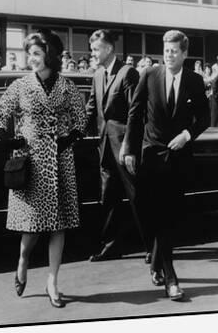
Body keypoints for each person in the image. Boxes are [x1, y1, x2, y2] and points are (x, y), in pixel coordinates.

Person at [0, 29, 87, 308]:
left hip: (60, 160)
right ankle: (23, 260)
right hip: (30, 160)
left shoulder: (67, 86)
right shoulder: (20, 86)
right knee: (32, 225)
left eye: (36, 53)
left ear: (50, 54)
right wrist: (7, 137)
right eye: (28, 54)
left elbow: (81, 119)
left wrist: (69, 138)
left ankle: (52, 281)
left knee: (59, 225)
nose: (31, 59)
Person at [120, 30, 210, 300]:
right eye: (166, 50)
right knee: (155, 215)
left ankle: (160, 264)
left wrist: (187, 135)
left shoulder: (194, 80)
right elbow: (135, 114)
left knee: (170, 217)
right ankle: (171, 278)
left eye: (174, 51)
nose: (169, 55)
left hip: (179, 157)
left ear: (184, 54)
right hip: (150, 155)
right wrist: (129, 149)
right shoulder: (150, 75)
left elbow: (204, 116)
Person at [85, 29, 145, 262]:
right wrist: (72, 132)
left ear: (109, 48)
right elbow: (91, 109)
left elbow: (135, 113)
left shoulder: (128, 72)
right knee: (108, 198)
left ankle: (152, 247)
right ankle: (111, 246)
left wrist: (129, 148)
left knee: (137, 198)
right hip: (105, 149)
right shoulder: (98, 74)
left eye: (96, 49)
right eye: (92, 49)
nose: (93, 53)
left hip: (124, 148)